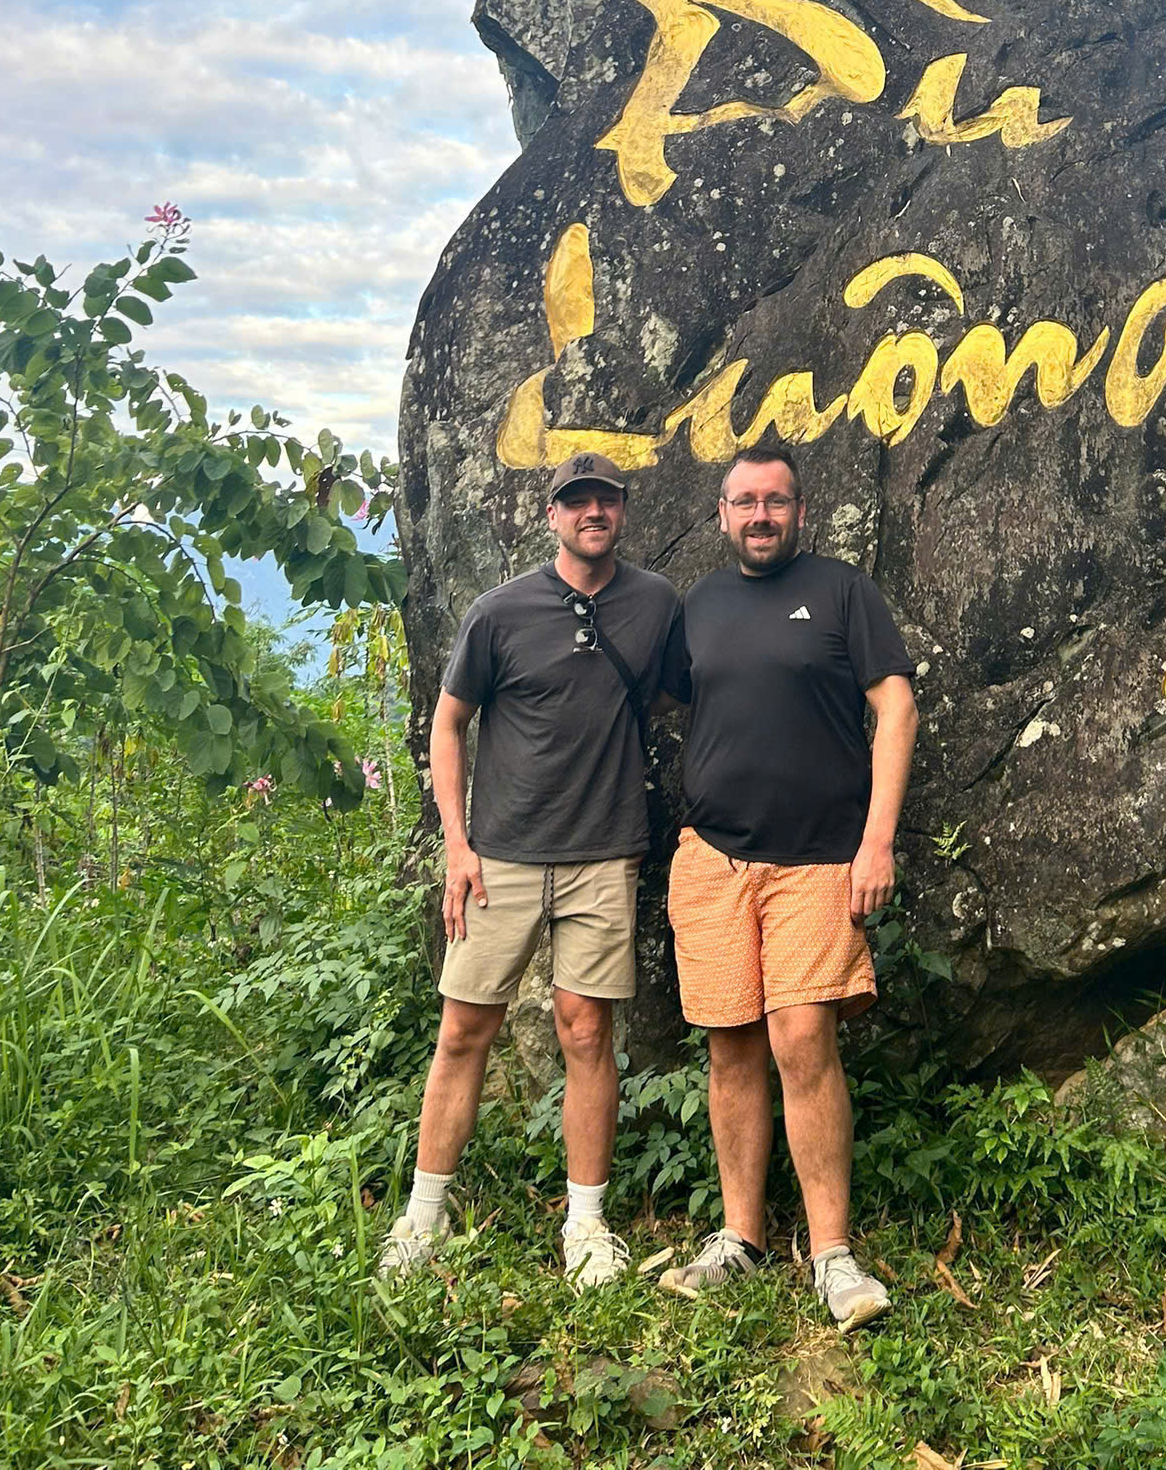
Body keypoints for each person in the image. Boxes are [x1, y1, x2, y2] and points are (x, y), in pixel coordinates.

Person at [379, 451, 681, 1285]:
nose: (593, 512)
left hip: (603, 852)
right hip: (500, 859)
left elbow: (679, 692)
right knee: (463, 1029)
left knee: (588, 1032)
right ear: (552, 515)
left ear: (621, 512)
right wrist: (456, 842)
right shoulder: (500, 613)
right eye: (576, 501)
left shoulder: (655, 604)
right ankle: (422, 1217)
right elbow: (448, 725)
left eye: (606, 500)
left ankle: (586, 1225)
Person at [657, 444, 919, 1332]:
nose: (760, 516)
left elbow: (895, 708)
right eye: (744, 502)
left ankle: (834, 1255)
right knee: (730, 1046)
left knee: (802, 1038)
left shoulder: (845, 592)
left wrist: (876, 840)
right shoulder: (697, 607)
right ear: (721, 513)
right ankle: (740, 1237)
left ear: (800, 511)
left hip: (818, 860)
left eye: (776, 501)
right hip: (716, 862)